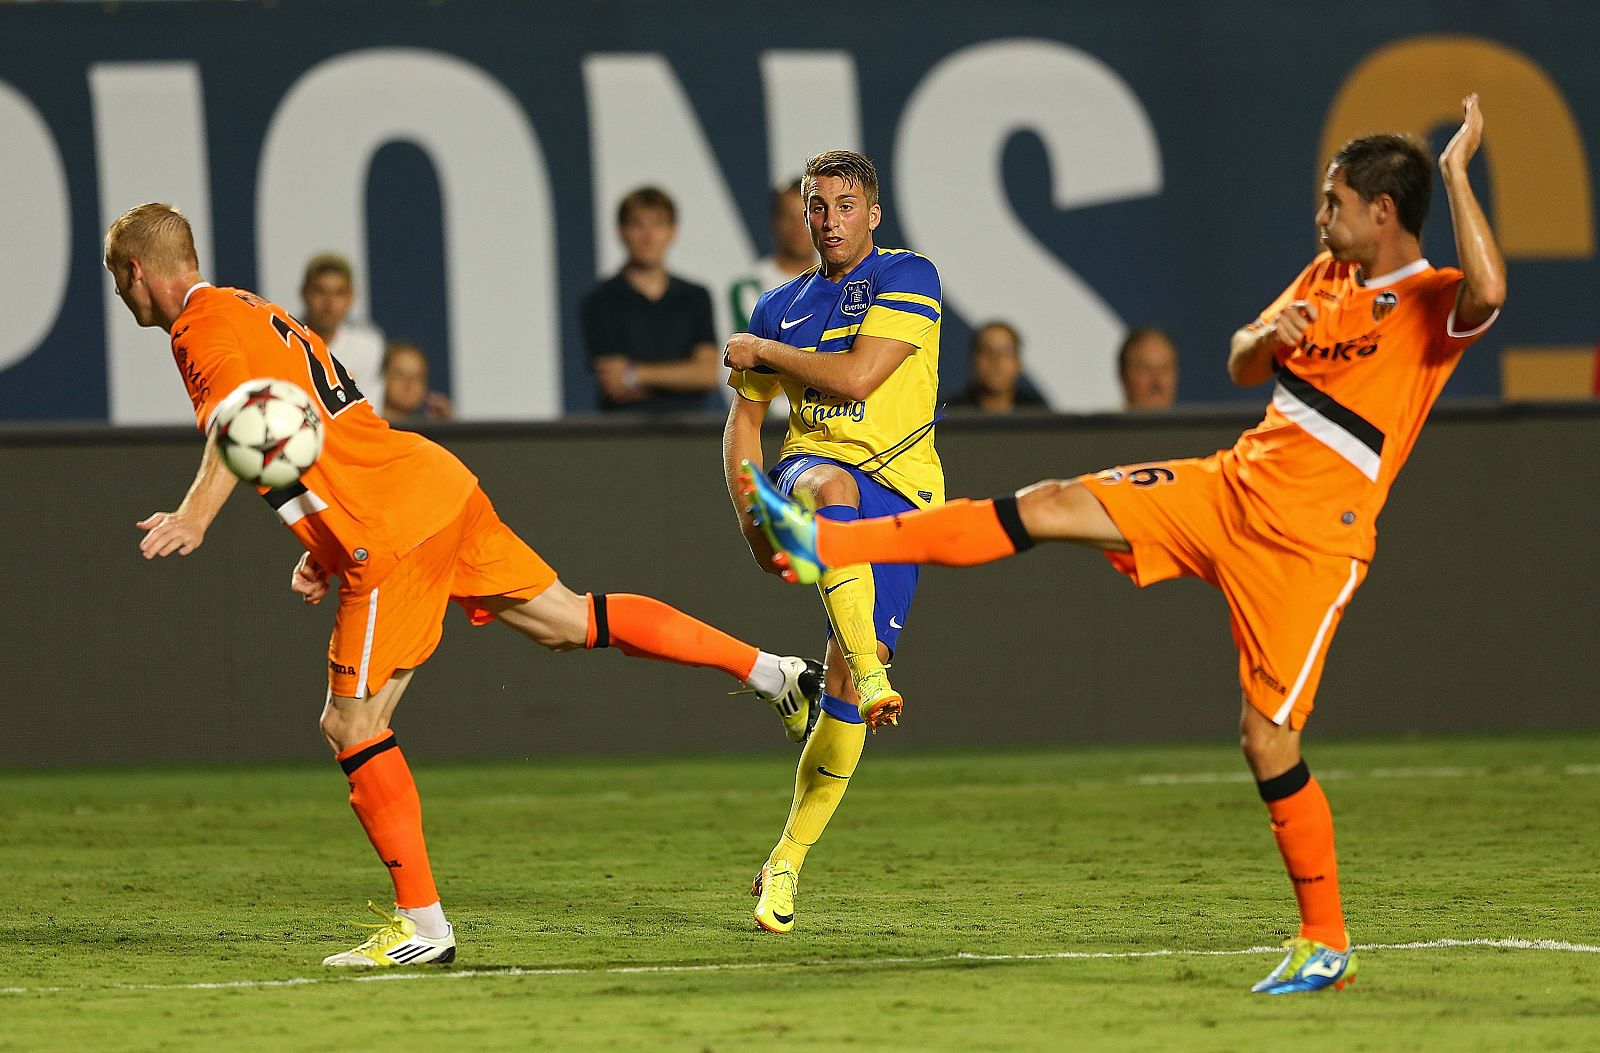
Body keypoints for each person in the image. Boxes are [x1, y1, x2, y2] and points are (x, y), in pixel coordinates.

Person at [739, 97, 1504, 993]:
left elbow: (1487, 294)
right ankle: (847, 551)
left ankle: (1324, 937)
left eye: (1333, 201)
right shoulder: (1324, 276)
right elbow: (1241, 359)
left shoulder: (1423, 302)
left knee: (1267, 741)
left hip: (1311, 541)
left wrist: (1454, 173)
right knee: (1054, 502)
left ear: (1383, 210)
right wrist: (1267, 334)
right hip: (1230, 485)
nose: (1320, 216)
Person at [105, 202, 823, 970]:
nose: (121, 293)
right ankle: (777, 674)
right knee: (568, 618)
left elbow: (246, 421)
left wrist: (195, 512)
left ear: (136, 272)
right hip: (427, 484)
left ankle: (423, 924)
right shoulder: (254, 308)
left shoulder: (201, 329)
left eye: (118, 278)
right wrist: (321, 540)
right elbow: (327, 420)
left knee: (351, 724)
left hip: (390, 529)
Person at [722, 150, 945, 935]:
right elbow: (746, 423)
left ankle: (784, 860)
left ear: (873, 213)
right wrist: (753, 515)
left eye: (846, 206)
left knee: (843, 692)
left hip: (907, 493)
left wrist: (765, 354)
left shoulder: (910, 276)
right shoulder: (778, 303)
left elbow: (855, 379)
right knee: (830, 488)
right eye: (818, 207)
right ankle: (875, 672)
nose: (831, 221)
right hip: (816, 470)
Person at [582, 187, 722, 413]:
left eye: (658, 224)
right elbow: (614, 384)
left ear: (673, 232)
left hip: (690, 434)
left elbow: (707, 375)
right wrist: (684, 377)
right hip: (623, 436)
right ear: (621, 232)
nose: (648, 236)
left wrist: (635, 374)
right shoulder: (599, 301)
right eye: (638, 224)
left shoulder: (696, 297)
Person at [301, 253, 386, 415]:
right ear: (304, 293)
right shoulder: (284, 338)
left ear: (351, 297)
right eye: (320, 291)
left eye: (338, 293)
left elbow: (370, 411)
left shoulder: (368, 346)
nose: (329, 303)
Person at [729, 178, 816, 332]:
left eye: (806, 217)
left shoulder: (844, 281)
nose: (799, 228)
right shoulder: (750, 288)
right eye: (789, 217)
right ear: (775, 222)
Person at [946, 321, 1049, 413]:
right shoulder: (951, 413)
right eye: (987, 351)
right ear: (973, 359)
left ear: (1018, 362)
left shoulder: (1037, 413)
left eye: (1006, 352)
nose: (997, 361)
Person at [380, 341, 453, 424]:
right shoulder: (368, 427)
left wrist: (444, 427)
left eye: (417, 377)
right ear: (383, 377)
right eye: (400, 374)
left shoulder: (431, 428)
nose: (409, 383)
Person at [1117, 326, 1180, 411]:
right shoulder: (1104, 424)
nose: (1158, 381)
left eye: (1165, 369)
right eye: (1145, 369)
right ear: (1123, 376)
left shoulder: (1194, 424)